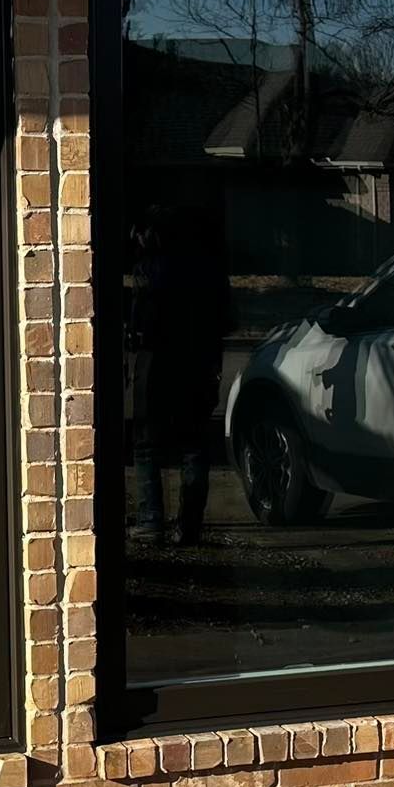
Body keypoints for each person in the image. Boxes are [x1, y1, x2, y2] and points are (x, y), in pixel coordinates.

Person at [127, 204, 230, 547]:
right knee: (194, 446)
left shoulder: (151, 270)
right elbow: (226, 320)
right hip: (198, 361)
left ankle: (151, 517)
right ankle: (190, 524)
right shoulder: (209, 270)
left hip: (157, 364)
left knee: (147, 446)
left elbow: (140, 325)